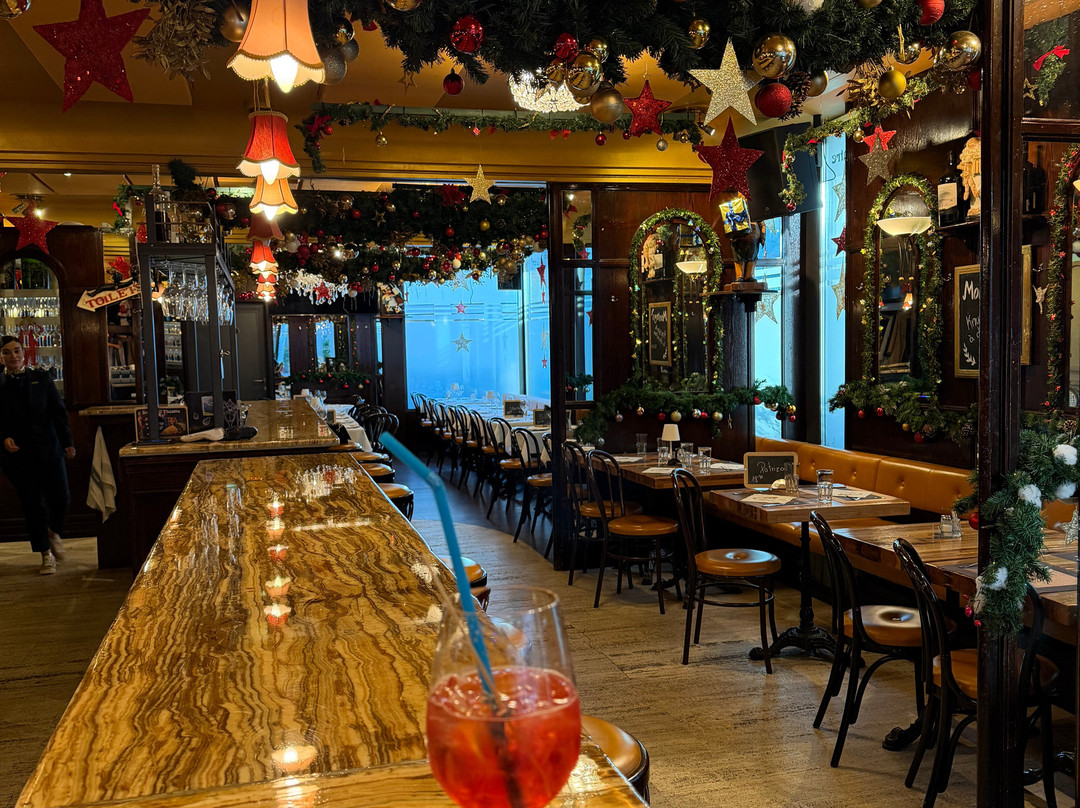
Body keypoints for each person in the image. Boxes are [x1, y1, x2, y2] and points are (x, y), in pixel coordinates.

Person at [0, 335, 75, 575]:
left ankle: (53, 532)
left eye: (17, 350)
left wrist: (67, 442)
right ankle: (45, 554)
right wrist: (3, 437)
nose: (13, 356)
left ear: (24, 353)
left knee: (61, 496)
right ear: (0, 357)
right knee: (32, 503)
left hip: (49, 447)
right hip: (18, 454)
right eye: (7, 352)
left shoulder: (42, 378)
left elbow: (58, 412)